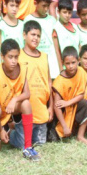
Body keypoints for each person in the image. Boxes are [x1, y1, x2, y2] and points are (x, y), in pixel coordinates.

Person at [0, 39, 41, 161]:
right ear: (2, 56)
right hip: (0, 115)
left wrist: (14, 99)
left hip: (14, 110)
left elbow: (27, 94)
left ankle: (28, 147)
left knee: (26, 103)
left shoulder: (22, 68)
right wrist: (0, 130)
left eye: (16, 57)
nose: (14, 61)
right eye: (10, 57)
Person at [16, 20, 52, 148]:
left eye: (38, 35)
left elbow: (49, 82)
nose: (35, 38)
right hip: (25, 113)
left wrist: (51, 107)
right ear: (24, 35)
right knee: (22, 144)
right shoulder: (18, 56)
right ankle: (12, 132)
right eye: (32, 34)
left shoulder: (44, 57)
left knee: (40, 144)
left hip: (42, 113)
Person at [52, 46, 87, 144]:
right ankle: (66, 127)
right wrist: (64, 126)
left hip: (71, 104)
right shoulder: (59, 81)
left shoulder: (82, 72)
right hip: (62, 111)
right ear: (63, 63)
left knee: (86, 104)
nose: (71, 66)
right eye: (67, 63)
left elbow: (81, 94)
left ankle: (80, 135)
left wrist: (68, 103)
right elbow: (57, 106)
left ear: (78, 60)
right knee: (55, 138)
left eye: (73, 63)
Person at [27, 0, 60, 78]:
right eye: (43, 6)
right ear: (35, 3)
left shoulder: (52, 21)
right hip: (35, 68)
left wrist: (60, 68)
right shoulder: (28, 20)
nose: (46, 9)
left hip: (53, 69)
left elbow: (56, 47)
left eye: (48, 6)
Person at [52, 0, 80, 65]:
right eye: (64, 12)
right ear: (58, 12)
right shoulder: (56, 28)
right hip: (65, 66)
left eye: (69, 13)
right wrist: (61, 69)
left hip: (76, 65)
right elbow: (56, 51)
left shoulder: (75, 27)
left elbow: (79, 46)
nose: (67, 15)